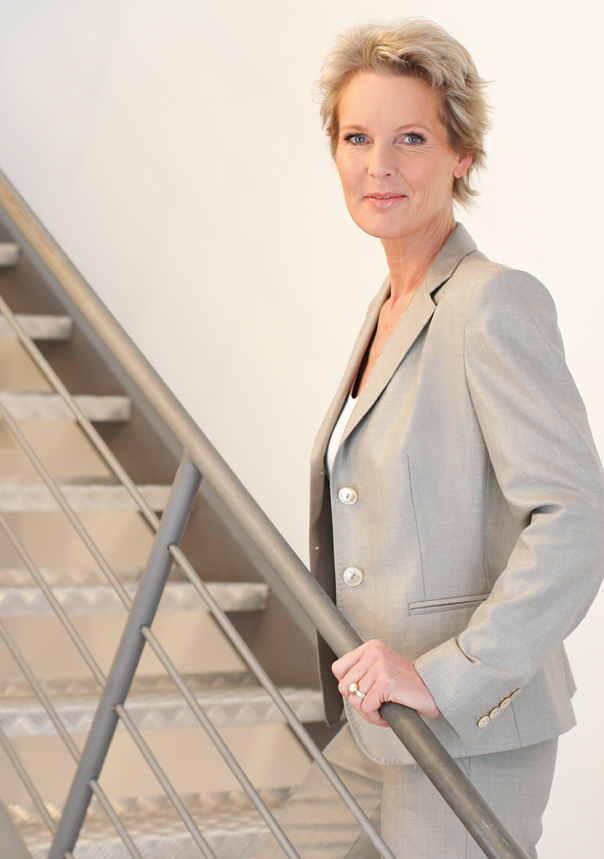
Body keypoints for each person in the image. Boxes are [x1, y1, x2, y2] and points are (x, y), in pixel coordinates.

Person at [258, 19, 604, 859]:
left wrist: (448, 675)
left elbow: (576, 518)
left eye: (411, 138)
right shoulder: (389, 307)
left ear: (461, 156)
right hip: (377, 722)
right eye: (357, 138)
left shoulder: (493, 302)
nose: (379, 164)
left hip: (467, 732)